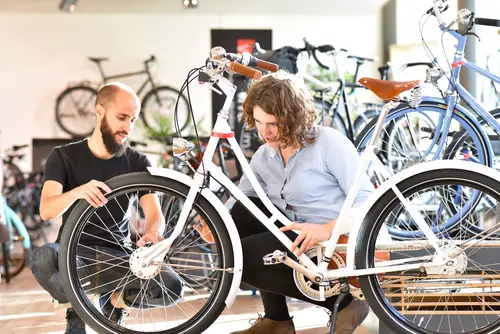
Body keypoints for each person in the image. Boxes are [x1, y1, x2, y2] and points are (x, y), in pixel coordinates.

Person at [194, 71, 374, 334]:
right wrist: (217, 230)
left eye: (273, 124)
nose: (264, 132)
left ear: (294, 117)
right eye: (258, 122)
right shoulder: (263, 156)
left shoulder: (328, 143)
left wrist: (328, 229)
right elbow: (240, 203)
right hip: (296, 240)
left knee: (236, 258)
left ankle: (345, 301)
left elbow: (367, 199)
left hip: (334, 246)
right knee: (241, 212)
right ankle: (277, 320)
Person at [30, 82, 183, 334]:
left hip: (119, 258)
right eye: (122, 117)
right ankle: (77, 309)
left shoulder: (137, 161)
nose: (128, 127)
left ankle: (114, 305)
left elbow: (154, 212)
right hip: (72, 255)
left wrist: (154, 232)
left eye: (133, 120)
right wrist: (78, 192)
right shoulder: (62, 156)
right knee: (44, 259)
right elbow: (47, 210)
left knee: (171, 285)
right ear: (99, 111)